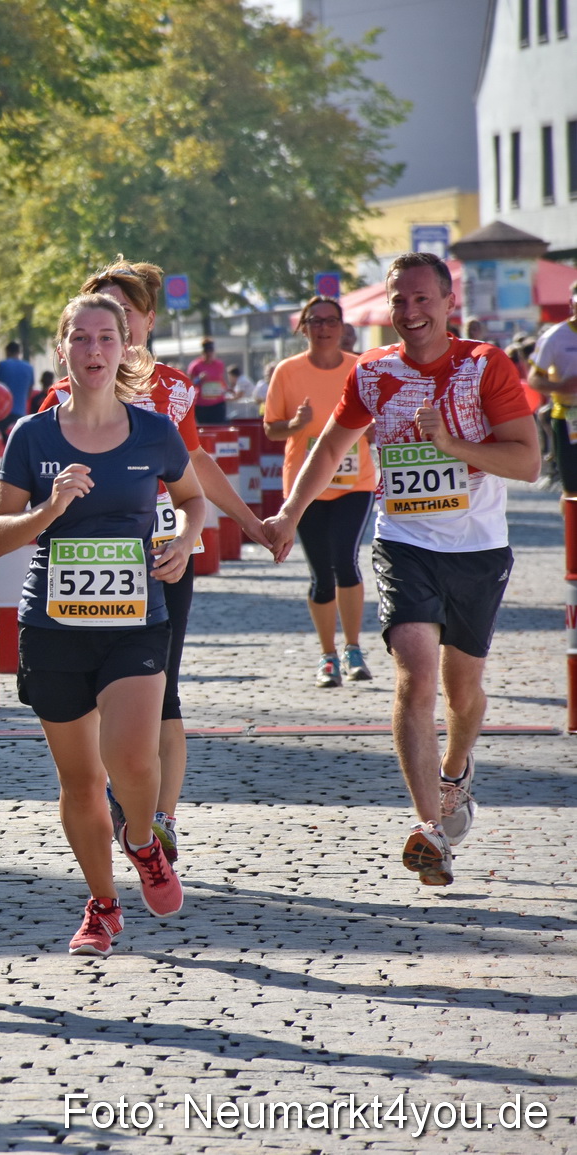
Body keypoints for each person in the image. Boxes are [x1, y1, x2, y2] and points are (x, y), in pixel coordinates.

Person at [262, 253, 539, 888]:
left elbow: (527, 461)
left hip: (476, 549)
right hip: (403, 540)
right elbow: (330, 447)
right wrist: (286, 514)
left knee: (462, 692)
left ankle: (457, 768)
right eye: (399, 301)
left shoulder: (482, 366)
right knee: (415, 679)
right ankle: (429, 830)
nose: (410, 313)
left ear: (447, 305)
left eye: (422, 300)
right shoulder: (375, 372)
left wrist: (454, 447)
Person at [0, 293, 204, 956]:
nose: (95, 350)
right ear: (62, 351)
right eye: (81, 338)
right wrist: (48, 509)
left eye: (108, 338)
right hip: (53, 624)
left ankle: (141, 837)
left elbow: (191, 500)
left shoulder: (154, 431)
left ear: (125, 349)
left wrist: (186, 539)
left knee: (132, 758)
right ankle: (102, 904)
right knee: (79, 780)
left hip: (136, 618)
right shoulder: (34, 436)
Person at [31, 261, 270, 863]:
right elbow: (25, 473)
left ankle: (158, 817)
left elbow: (196, 470)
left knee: (162, 691)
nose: (106, 332)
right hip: (79, 563)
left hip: (159, 556)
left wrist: (242, 522)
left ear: (144, 322)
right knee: (89, 701)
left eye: (121, 317)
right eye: (92, 319)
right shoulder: (61, 391)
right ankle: (110, 792)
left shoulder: (172, 388)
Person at [262, 297, 372, 687]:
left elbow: (373, 425)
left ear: (343, 327)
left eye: (331, 321)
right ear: (303, 327)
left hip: (354, 484)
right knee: (321, 574)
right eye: (315, 321)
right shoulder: (287, 372)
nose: (323, 327)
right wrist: (296, 424)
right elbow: (271, 429)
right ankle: (328, 656)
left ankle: (354, 648)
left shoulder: (360, 367)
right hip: (303, 489)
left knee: (346, 561)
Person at [527, 280, 577, 493]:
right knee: (572, 488)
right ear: (572, 304)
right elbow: (533, 379)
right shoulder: (554, 337)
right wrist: (561, 386)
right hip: (568, 417)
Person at [188, 339, 228, 424]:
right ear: (203, 352)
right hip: (202, 405)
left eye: (211, 351)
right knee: (205, 428)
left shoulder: (219, 364)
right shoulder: (195, 365)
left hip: (218, 403)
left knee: (219, 427)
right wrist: (199, 379)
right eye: (206, 352)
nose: (209, 354)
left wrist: (227, 389)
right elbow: (189, 384)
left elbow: (222, 380)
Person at [0, 341, 35, 421]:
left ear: (7, 352)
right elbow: (29, 393)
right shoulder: (29, 368)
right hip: (21, 412)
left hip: (3, 412)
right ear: (19, 352)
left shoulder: (2, 365)